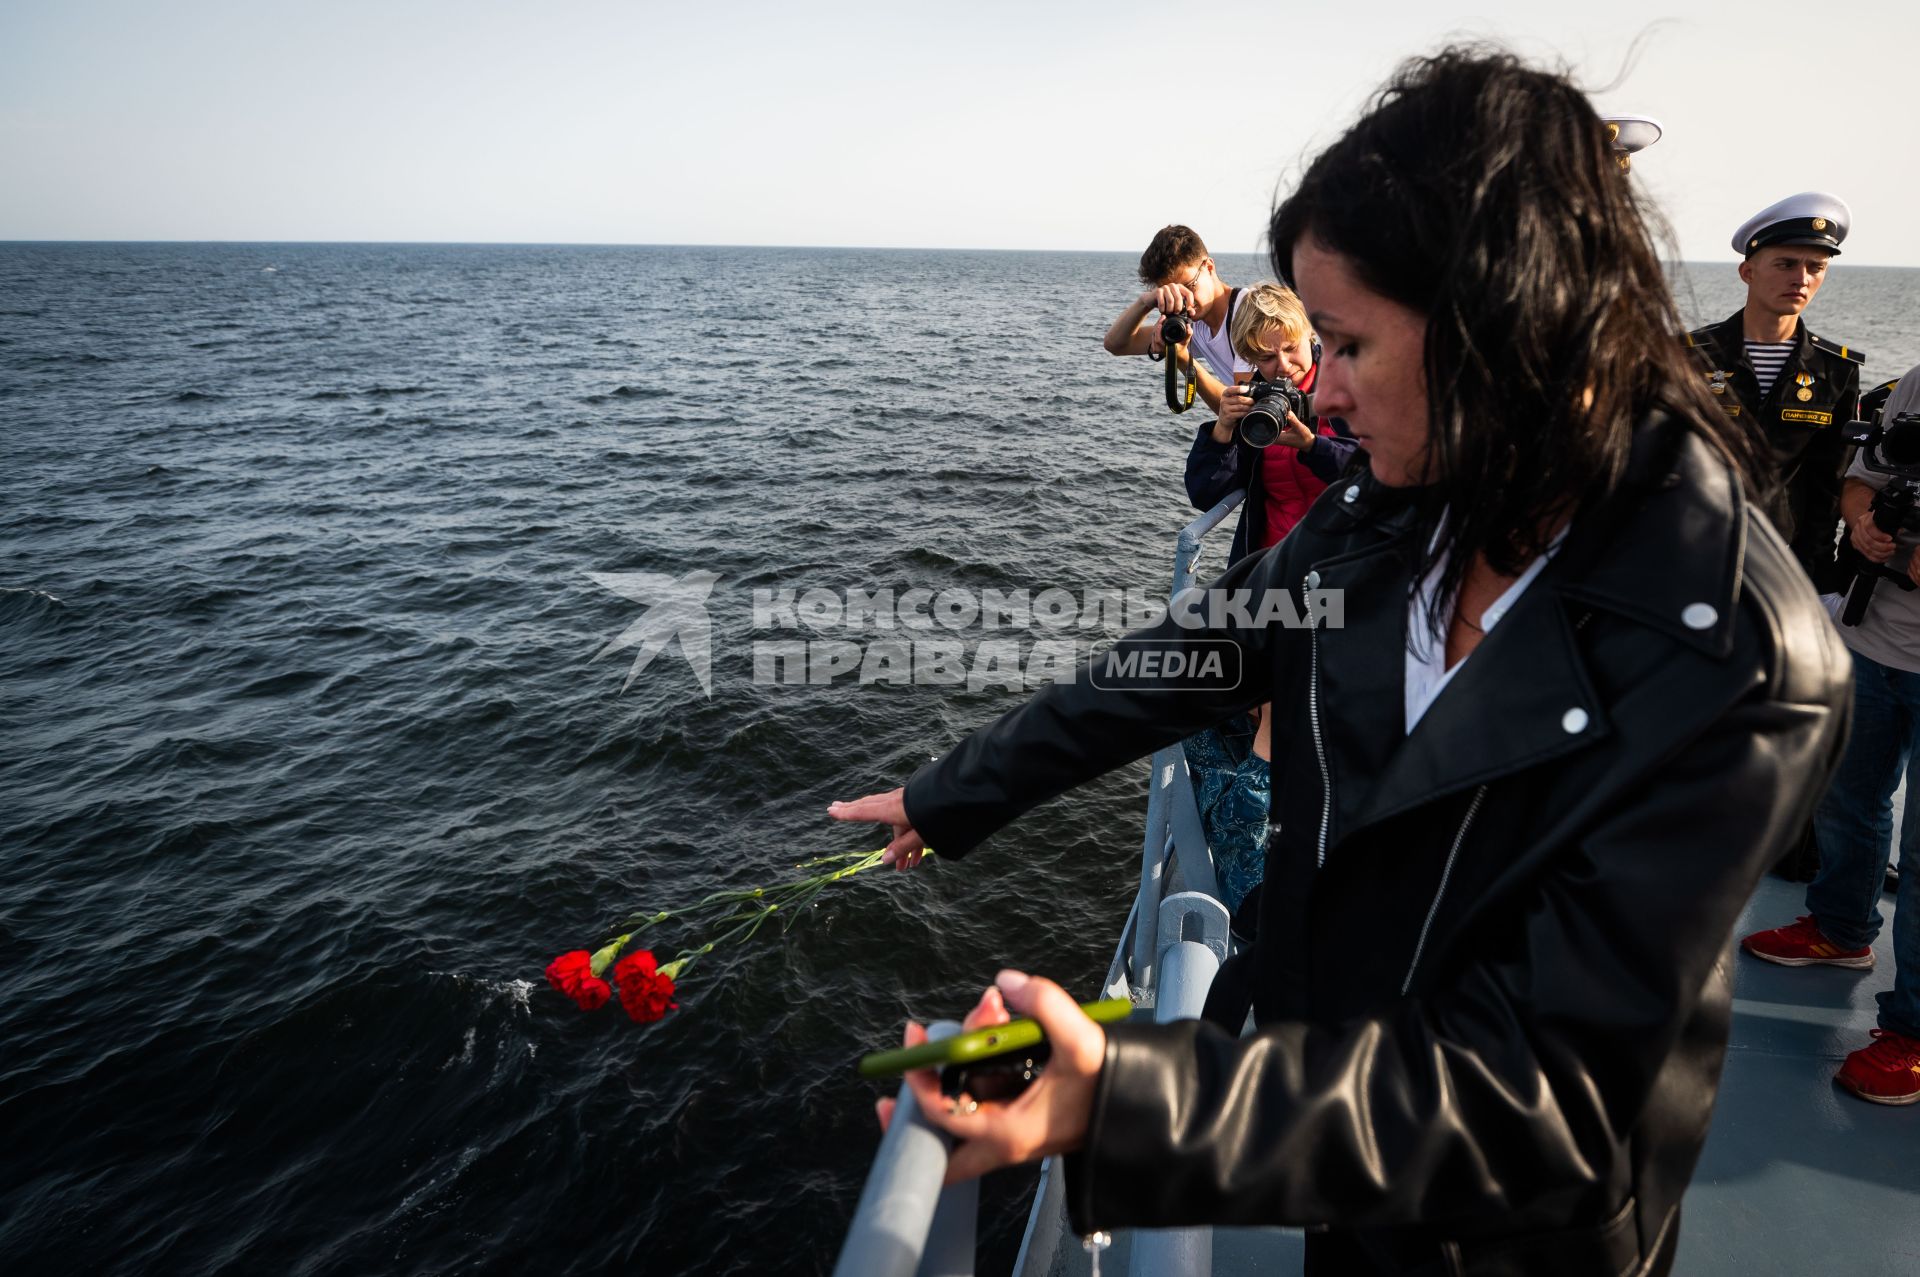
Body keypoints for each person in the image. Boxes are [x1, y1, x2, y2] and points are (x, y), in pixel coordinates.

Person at [832, 48, 1850, 1275]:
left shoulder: (1741, 651)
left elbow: (1547, 1096)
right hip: (1336, 1159)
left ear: (1501, 329)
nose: (1324, 397)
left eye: (1349, 347)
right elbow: (1206, 650)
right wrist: (956, 792)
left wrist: (1132, 1101)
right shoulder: (1390, 507)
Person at [1741, 363, 1920, 1105]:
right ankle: (1842, 928)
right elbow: (1862, 473)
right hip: (1874, 639)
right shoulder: (1916, 384)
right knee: (1847, 795)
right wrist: (1867, 522)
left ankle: (1911, 1032)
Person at [1686, 191, 1864, 595]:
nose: (1801, 278)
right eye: (1786, 264)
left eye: (1815, 267)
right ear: (1747, 272)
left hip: (1780, 564)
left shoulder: (1835, 369)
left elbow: (1828, 481)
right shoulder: (1686, 358)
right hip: (1689, 552)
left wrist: (1814, 574)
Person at [1186, 280, 1358, 563]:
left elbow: (1378, 473)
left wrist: (1314, 447)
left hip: (1344, 560)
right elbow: (1205, 495)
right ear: (1249, 357)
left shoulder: (1349, 384)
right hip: (1275, 564)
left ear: (1309, 335)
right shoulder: (1255, 405)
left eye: (1291, 347)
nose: (1283, 365)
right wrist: (1222, 430)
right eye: (1266, 357)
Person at [1102, 225, 1249, 412]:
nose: (1185, 301)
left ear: (1209, 267)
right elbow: (1116, 345)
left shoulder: (1249, 315)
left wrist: (1181, 358)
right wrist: (1145, 302)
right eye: (1175, 293)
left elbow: (1243, 410)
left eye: (1189, 286)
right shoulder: (1194, 322)